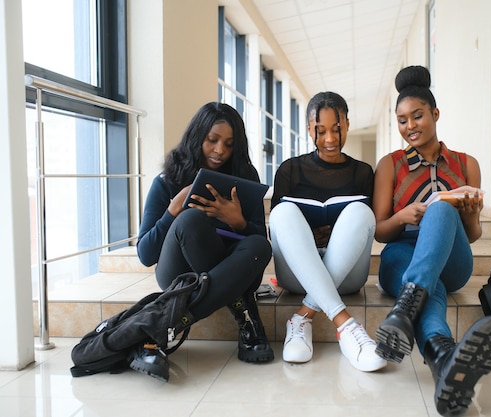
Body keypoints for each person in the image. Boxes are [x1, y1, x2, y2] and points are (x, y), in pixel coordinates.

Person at [372, 66, 491, 416]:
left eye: (417, 116)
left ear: (435, 114)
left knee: (442, 209)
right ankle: (444, 357)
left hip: (452, 258)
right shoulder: (389, 165)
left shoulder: (467, 163)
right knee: (424, 284)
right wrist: (403, 217)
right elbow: (379, 231)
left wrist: (468, 215)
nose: (410, 127)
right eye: (402, 120)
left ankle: (403, 311)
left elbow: (473, 236)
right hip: (402, 254)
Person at [135, 102, 274, 379]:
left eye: (229, 144)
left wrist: (240, 223)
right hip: (179, 274)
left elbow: (260, 243)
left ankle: (164, 325)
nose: (220, 150)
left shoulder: (245, 176)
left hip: (233, 267)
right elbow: (146, 253)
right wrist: (172, 210)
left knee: (259, 245)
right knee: (190, 220)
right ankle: (245, 314)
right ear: (197, 136)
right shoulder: (166, 181)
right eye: (212, 140)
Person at [269, 91, 386, 372]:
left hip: (347, 276)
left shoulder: (363, 172)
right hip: (297, 275)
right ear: (309, 129)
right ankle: (346, 326)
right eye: (321, 131)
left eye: (337, 129)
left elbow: (362, 230)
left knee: (360, 212)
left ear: (347, 124)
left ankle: (302, 316)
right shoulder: (289, 171)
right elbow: (278, 234)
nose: (331, 139)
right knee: (281, 213)